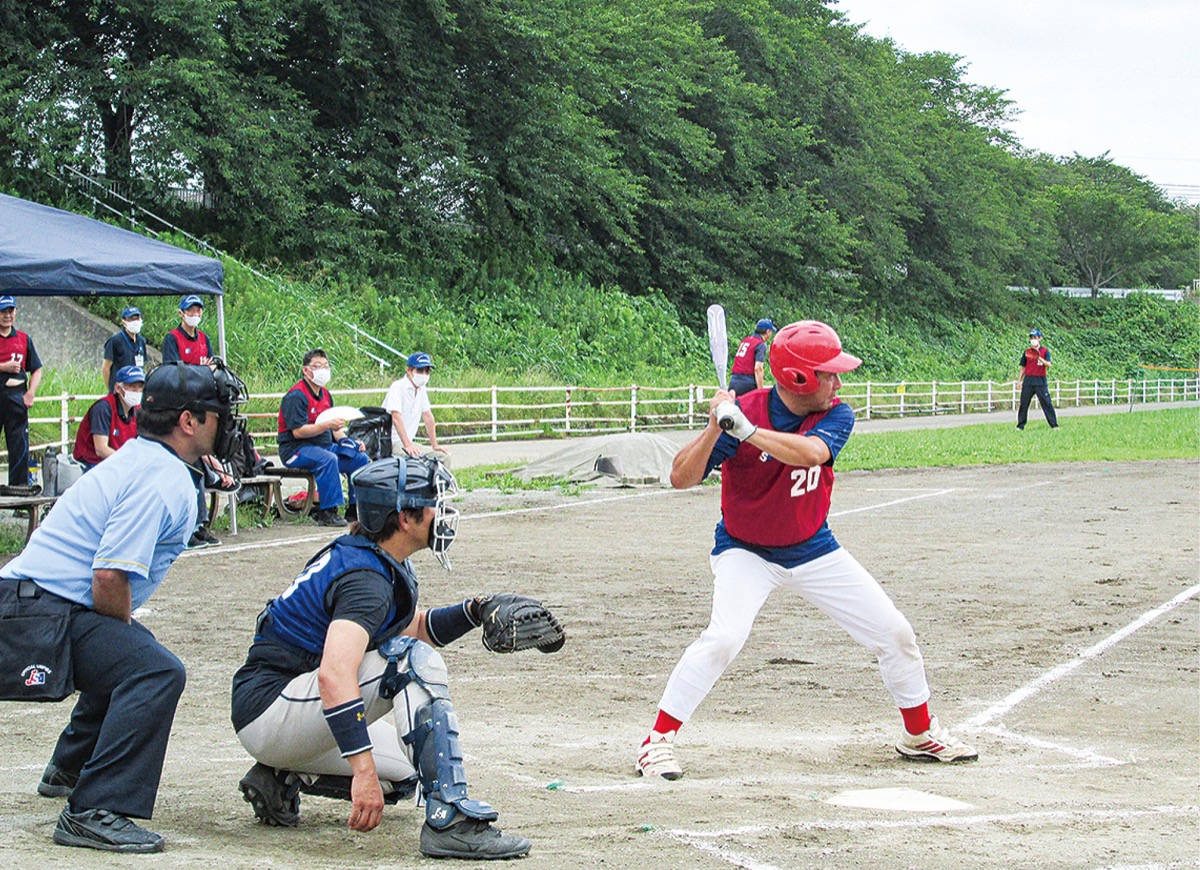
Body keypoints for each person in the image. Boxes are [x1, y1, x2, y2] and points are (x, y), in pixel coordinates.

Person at [635, 320, 977, 781]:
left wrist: (748, 432)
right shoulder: (744, 412)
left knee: (895, 633)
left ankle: (918, 735)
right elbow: (681, 477)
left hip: (815, 549)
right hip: (745, 552)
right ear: (799, 379)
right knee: (724, 638)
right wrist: (717, 429)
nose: (838, 382)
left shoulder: (836, 415)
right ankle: (656, 743)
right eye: (829, 374)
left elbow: (810, 454)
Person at [230, 454, 531, 860]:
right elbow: (335, 675)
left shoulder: (370, 558)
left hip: (283, 711)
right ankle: (450, 821)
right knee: (410, 661)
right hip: (272, 707)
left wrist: (474, 611)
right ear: (404, 518)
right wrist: (363, 772)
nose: (439, 512)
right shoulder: (366, 579)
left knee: (408, 774)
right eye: (430, 502)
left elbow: (413, 627)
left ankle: (282, 775)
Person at [0, 360, 247, 854]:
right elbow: (108, 576)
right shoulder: (162, 477)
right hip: (34, 617)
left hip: (31, 605)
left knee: (133, 649)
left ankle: (68, 768)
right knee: (154, 670)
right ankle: (94, 810)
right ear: (188, 421)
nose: (228, 424)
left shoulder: (148, 457)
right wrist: (127, 635)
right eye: (219, 413)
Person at [277, 349, 370, 527]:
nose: (323, 370)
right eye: (317, 366)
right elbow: (298, 432)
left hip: (325, 445)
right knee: (328, 460)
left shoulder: (326, 395)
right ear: (306, 370)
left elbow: (335, 430)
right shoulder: (296, 396)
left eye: (325, 366)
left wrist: (349, 442)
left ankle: (355, 507)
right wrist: (327, 426)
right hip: (296, 450)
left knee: (359, 459)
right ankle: (328, 510)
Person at [0, 295, 44, 487]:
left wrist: (30, 393)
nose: (7, 316)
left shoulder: (24, 339)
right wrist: (4, 367)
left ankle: (18, 491)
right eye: (3, 312)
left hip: (16, 397)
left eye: (10, 311)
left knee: (19, 447)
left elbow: (37, 369)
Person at [72, 365, 144, 469]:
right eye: (132, 386)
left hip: (117, 462)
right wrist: (127, 461)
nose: (137, 391)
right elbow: (101, 449)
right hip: (92, 464)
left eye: (140, 387)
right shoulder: (103, 408)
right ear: (118, 388)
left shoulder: (137, 410)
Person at [383, 351, 449, 459]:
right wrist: (407, 445)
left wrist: (434, 445)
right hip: (393, 442)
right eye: (420, 370)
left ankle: (436, 477)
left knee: (443, 457)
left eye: (427, 371)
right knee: (416, 460)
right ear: (409, 370)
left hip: (408, 443)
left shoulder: (421, 389)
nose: (424, 375)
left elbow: (428, 416)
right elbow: (396, 418)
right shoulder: (398, 387)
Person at [1017, 328, 1059, 430]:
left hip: (1040, 380)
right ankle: (1020, 425)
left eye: (1035, 337)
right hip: (1028, 380)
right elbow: (1023, 367)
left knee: (1046, 403)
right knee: (1024, 403)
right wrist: (1019, 380)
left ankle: (1054, 425)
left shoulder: (1045, 351)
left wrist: (1039, 357)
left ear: (1040, 338)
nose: (1033, 339)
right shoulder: (1027, 352)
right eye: (1031, 337)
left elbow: (1049, 364)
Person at [101, 306, 147, 392]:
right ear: (124, 322)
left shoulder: (141, 341)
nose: (135, 322)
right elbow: (106, 368)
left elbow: (143, 365)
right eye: (131, 319)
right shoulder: (115, 341)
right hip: (120, 388)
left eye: (137, 319)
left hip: (136, 389)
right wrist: (110, 390)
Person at [161, 294, 213, 366]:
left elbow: (213, 366)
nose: (195, 314)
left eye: (198, 310)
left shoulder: (204, 338)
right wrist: (203, 369)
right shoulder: (172, 338)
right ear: (181, 313)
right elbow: (173, 371)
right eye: (190, 310)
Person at [729, 318, 775, 396]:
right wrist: (760, 390)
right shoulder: (760, 344)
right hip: (747, 382)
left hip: (734, 380)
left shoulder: (745, 340)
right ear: (767, 332)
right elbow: (758, 368)